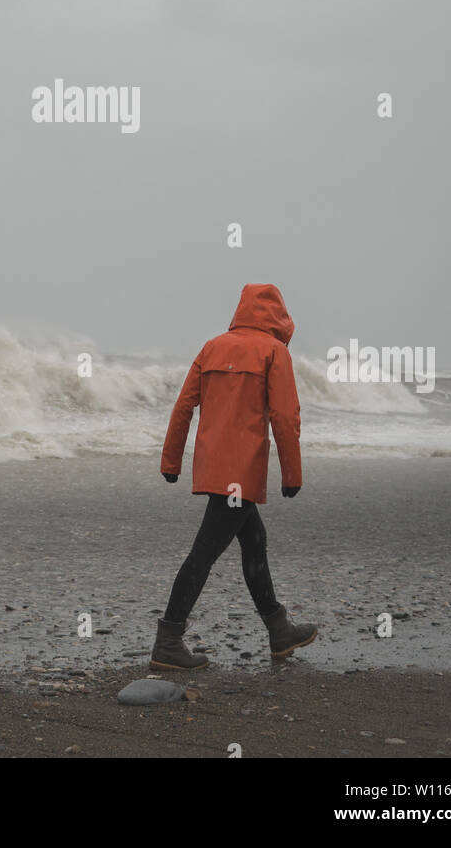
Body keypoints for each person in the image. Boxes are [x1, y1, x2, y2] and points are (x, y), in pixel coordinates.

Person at [151, 283, 317, 670]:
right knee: (203, 554)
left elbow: (182, 408)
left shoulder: (212, 346)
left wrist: (171, 461)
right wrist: (292, 473)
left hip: (212, 467)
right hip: (242, 472)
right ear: (278, 315)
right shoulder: (274, 352)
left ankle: (279, 630)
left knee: (254, 540)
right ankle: (168, 641)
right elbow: (284, 416)